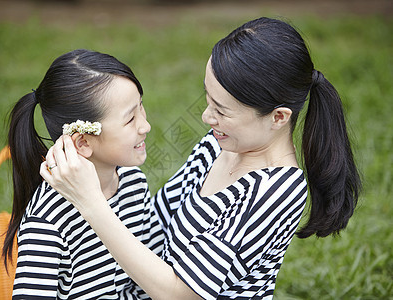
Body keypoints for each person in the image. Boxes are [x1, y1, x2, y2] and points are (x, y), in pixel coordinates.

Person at [41, 17, 361, 299]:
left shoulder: (277, 190)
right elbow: (156, 224)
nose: (207, 117)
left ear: (278, 117)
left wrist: (91, 202)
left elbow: (181, 295)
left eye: (221, 110)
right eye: (208, 100)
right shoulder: (222, 143)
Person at [2, 49, 164, 299]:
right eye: (130, 119)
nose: (145, 125)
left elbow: (152, 274)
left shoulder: (133, 181)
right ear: (83, 142)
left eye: (141, 107)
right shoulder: (49, 217)